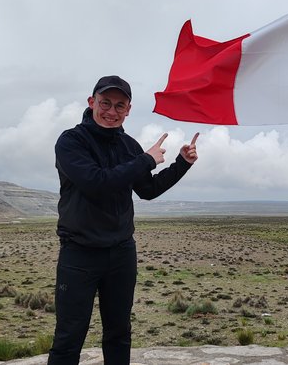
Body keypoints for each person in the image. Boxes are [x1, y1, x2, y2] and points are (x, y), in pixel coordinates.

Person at [47, 75, 199, 365]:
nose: (111, 111)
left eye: (120, 105)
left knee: (119, 332)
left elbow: (148, 189)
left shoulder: (128, 146)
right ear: (92, 102)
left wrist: (182, 164)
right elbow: (95, 182)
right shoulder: (71, 141)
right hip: (79, 254)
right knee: (69, 337)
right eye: (105, 103)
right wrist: (146, 160)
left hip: (120, 253)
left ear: (128, 109)